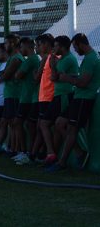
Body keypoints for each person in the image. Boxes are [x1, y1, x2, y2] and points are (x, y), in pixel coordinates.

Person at [48, 33, 98, 172]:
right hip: (78, 96)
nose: (75, 50)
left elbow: (83, 82)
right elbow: (79, 78)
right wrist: (69, 77)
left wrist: (67, 78)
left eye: (75, 47)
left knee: (71, 129)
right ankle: (79, 152)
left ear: (81, 44)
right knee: (59, 123)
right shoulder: (88, 58)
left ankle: (62, 162)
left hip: (84, 98)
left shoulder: (90, 59)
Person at [46, 35, 78, 169]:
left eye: (56, 46)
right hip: (59, 95)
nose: (54, 48)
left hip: (64, 95)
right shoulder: (63, 59)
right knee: (54, 125)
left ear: (63, 47)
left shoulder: (67, 60)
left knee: (53, 124)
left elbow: (53, 77)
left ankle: (57, 154)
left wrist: (53, 65)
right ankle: (52, 155)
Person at [0, 34, 25, 159]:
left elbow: (4, 76)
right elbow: (4, 74)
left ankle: (19, 150)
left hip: (14, 94)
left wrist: (4, 74)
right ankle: (13, 148)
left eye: (7, 43)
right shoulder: (12, 58)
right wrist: (4, 74)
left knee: (15, 123)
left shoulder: (16, 59)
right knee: (11, 123)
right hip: (10, 94)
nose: (5, 45)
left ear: (13, 43)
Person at [13, 37, 40, 165]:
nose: (20, 50)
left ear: (27, 46)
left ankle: (26, 152)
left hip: (28, 98)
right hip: (29, 96)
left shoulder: (31, 60)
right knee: (29, 125)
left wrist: (17, 74)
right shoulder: (34, 59)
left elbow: (17, 75)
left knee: (20, 123)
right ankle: (28, 152)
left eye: (21, 47)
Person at [33, 34, 58, 165]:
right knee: (42, 126)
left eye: (39, 44)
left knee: (43, 125)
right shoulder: (48, 58)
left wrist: (34, 73)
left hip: (48, 97)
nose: (38, 47)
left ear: (46, 45)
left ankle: (49, 153)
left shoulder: (49, 58)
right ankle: (41, 153)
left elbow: (36, 78)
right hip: (44, 97)